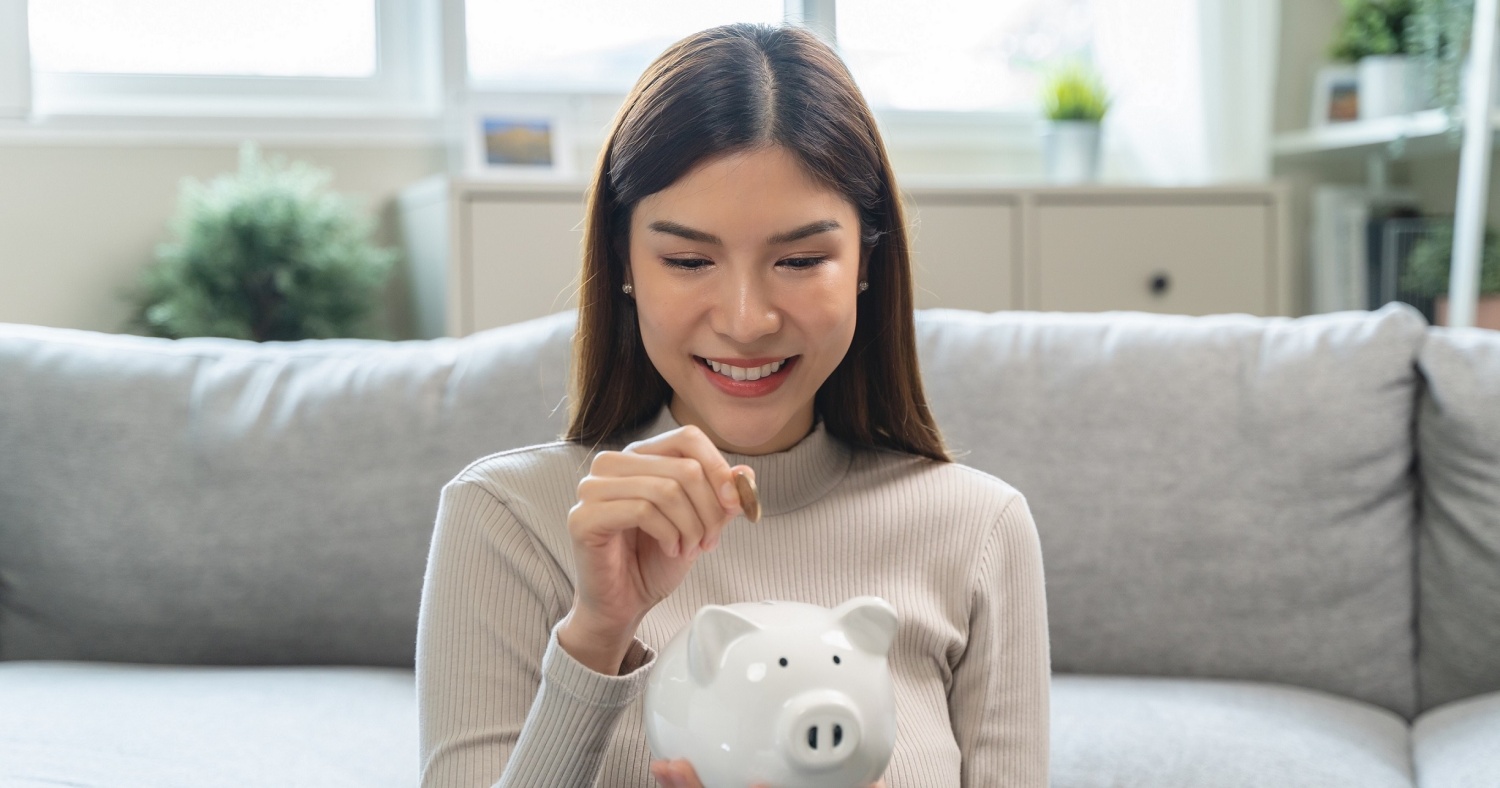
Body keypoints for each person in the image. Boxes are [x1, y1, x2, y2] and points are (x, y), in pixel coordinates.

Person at [416, 22, 1050, 788]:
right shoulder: (508, 520)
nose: (747, 321)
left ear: (865, 263)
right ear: (624, 262)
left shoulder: (980, 530)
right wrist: (597, 634)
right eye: (688, 260)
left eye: (801, 259)